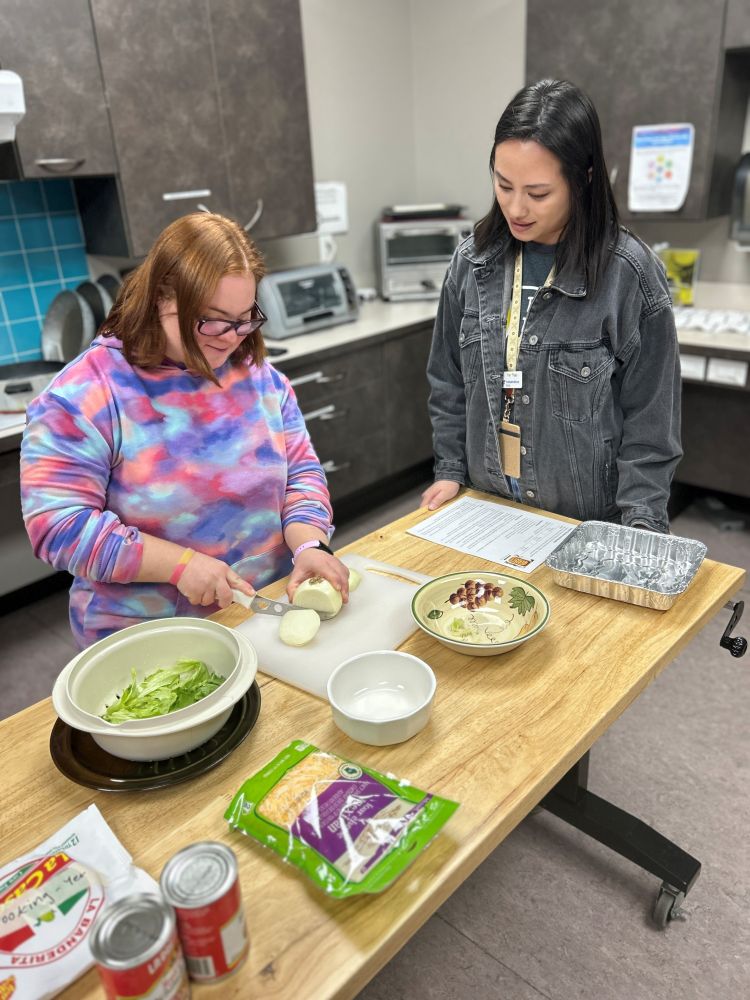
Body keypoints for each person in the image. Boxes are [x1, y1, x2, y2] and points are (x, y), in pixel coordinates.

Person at [20, 212, 349, 649]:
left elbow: (301, 474)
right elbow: (58, 526)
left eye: (244, 318)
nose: (231, 337)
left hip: (261, 613)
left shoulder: (261, 379)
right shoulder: (85, 394)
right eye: (212, 319)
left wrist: (309, 544)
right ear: (161, 298)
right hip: (148, 637)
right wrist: (180, 566)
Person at [422, 79, 681, 533]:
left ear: (583, 179)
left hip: (588, 520)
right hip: (488, 506)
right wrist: (450, 471)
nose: (516, 208)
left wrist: (641, 523)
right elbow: (447, 382)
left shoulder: (629, 275)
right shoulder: (470, 262)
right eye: (504, 185)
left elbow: (651, 424)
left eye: (538, 194)